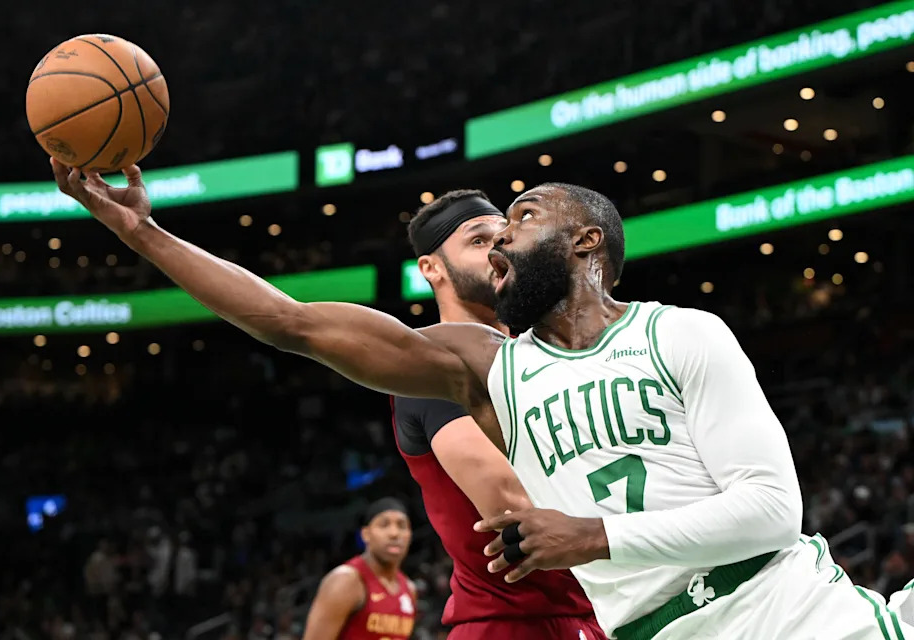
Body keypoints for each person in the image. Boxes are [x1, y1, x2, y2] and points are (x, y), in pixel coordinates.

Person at [52, 160, 913, 639]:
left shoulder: (682, 333)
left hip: (792, 614)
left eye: (522, 220)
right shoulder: (487, 369)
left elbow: (773, 512)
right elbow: (292, 323)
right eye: (490, 234)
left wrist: (590, 536)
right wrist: (140, 231)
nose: (502, 239)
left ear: (587, 242)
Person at [392, 189, 604, 638]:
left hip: (594, 614)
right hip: (508, 624)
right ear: (431, 269)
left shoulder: (540, 359)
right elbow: (510, 505)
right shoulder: (431, 365)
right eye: (477, 240)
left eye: (503, 237)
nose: (497, 249)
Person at [302, 498, 416, 640]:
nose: (394, 533)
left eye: (402, 526)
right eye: (384, 525)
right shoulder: (345, 581)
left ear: (410, 535)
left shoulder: (410, 589)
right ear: (365, 534)